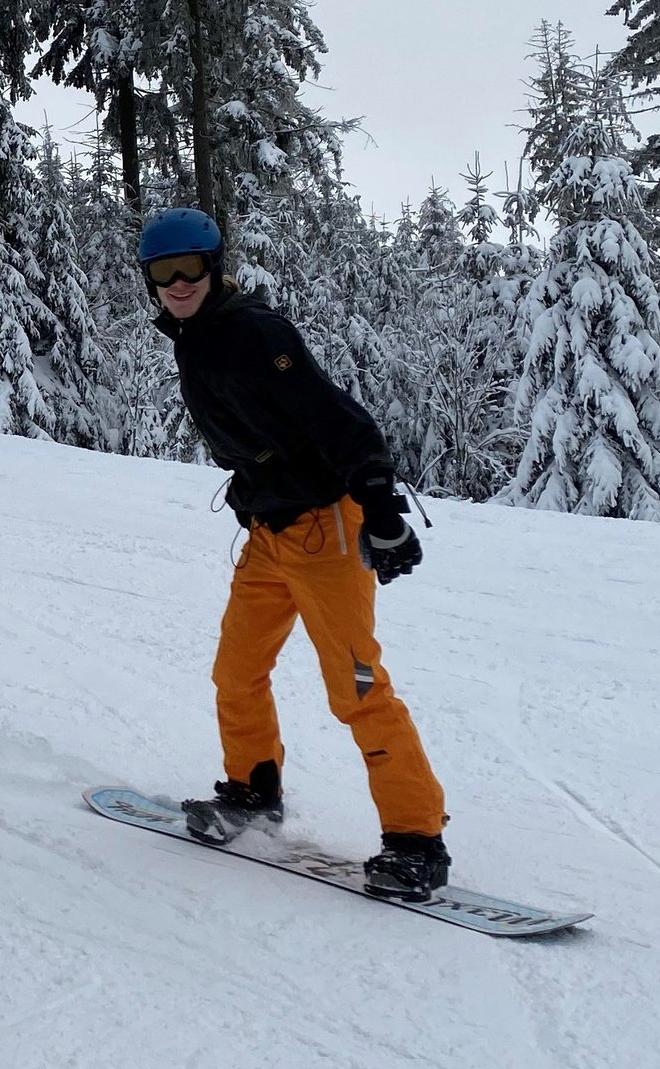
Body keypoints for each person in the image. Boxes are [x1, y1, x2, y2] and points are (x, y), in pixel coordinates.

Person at [142, 206, 448, 900]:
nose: (179, 282)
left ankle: (416, 839)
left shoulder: (254, 332)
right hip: (269, 535)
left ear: (215, 268)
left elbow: (343, 422)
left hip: (326, 531)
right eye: (165, 272)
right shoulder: (195, 336)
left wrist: (382, 507)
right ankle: (253, 792)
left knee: (358, 686)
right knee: (237, 669)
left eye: (191, 268)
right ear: (150, 281)